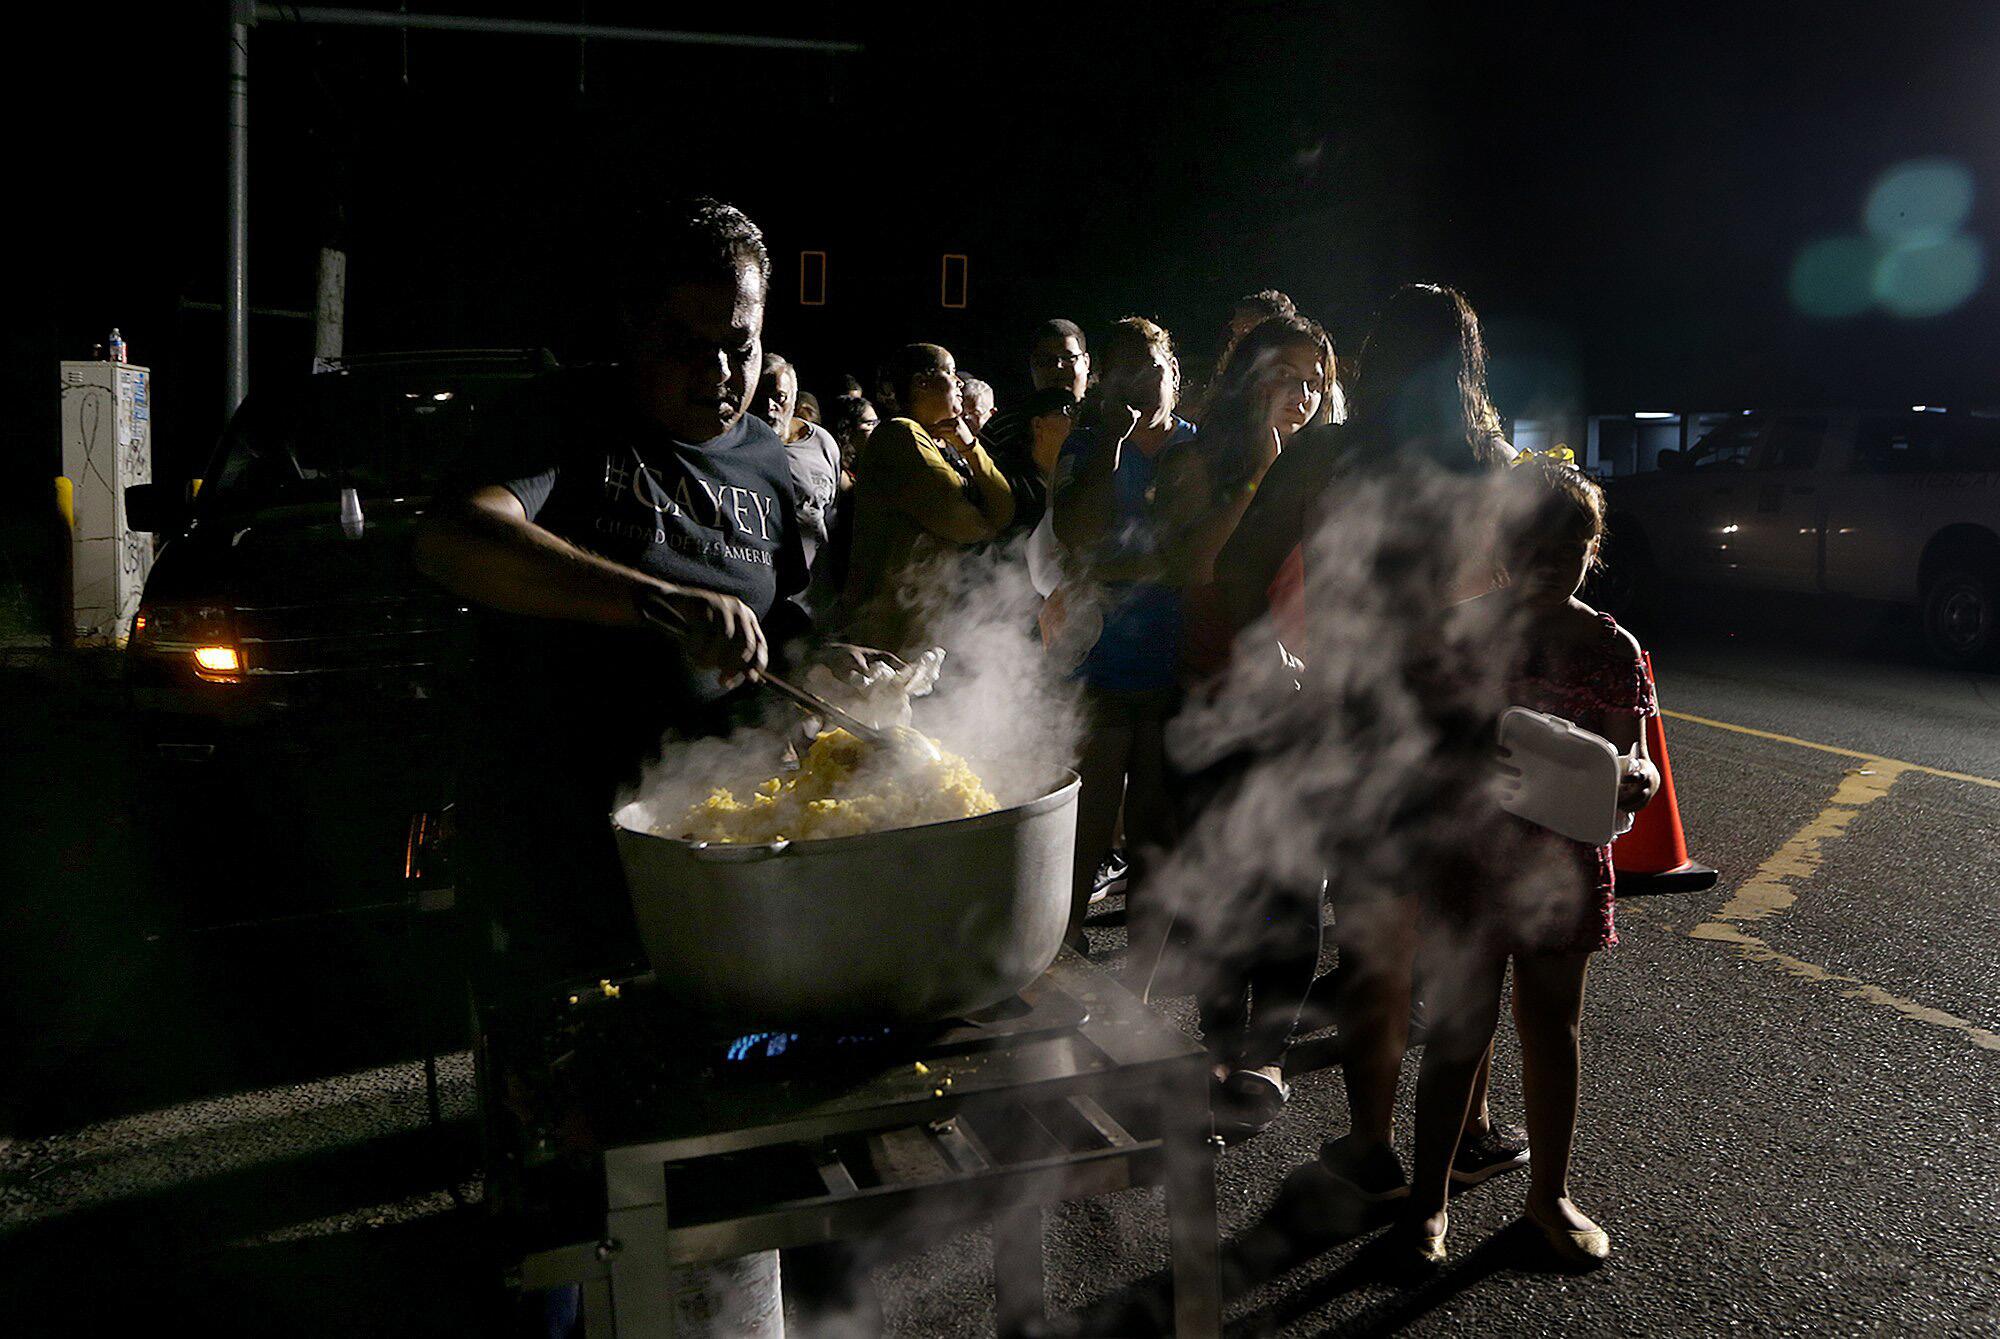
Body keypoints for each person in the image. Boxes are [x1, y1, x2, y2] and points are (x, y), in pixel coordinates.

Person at [1214, 284, 1524, 1201]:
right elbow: (1523, 595)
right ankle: (1463, 1131)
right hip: (1462, 724)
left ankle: (1369, 1144)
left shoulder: (1328, 453)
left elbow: (1237, 572)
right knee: (1463, 944)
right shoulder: (1491, 461)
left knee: (1373, 943)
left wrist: (1280, 658)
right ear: (1466, 364)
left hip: (1351, 718)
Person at [1394, 458, 1659, 1267]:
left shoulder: (1612, 645)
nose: (1554, 552)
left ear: (1594, 547)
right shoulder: (1458, 626)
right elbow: (1410, 738)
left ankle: (1549, 1193)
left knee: (1553, 1025)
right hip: (1467, 858)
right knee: (1458, 1028)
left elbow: (1632, 756)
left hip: (1565, 864)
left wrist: (1637, 779)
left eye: (1574, 537)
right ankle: (1426, 1199)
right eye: (1534, 534)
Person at [1158, 313, 1339, 1135]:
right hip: (1217, 691)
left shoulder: (1334, 464)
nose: (1301, 395)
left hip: (1303, 700)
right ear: (1249, 380)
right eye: (1286, 376)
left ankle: (1268, 1054)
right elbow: (1198, 569)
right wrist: (1262, 479)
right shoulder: (1205, 460)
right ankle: (1219, 1042)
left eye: (1314, 380)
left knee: (1297, 882)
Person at [1049, 316, 1197, 956]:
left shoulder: (1197, 448)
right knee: (1089, 811)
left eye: (1154, 369)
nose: (1144, 384)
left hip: (1175, 656)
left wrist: (1113, 564)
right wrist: (1112, 441)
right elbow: (1077, 538)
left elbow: (1183, 554)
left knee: (1154, 824)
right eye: (1127, 371)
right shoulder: (1088, 445)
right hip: (1100, 661)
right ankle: (1065, 939)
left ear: (1176, 377)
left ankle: (1144, 972)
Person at [838, 343, 1014, 653]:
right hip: (888, 633)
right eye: (950, 373)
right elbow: (969, 526)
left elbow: (1004, 509)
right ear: (921, 382)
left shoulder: (944, 444)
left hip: (924, 627)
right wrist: (979, 504)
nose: (959, 383)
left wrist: (970, 446)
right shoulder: (899, 434)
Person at [983, 319, 1092, 533]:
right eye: (1046, 360)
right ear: (1032, 365)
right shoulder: (1002, 428)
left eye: (1068, 358)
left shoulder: (1107, 422)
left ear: (1086, 362)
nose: (1058, 368)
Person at [755, 351, 844, 595]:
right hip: (763, 592)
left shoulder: (822, 443)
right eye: (759, 397)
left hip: (816, 593)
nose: (769, 407)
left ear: (794, 399)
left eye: (779, 397)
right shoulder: (739, 446)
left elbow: (829, 510)